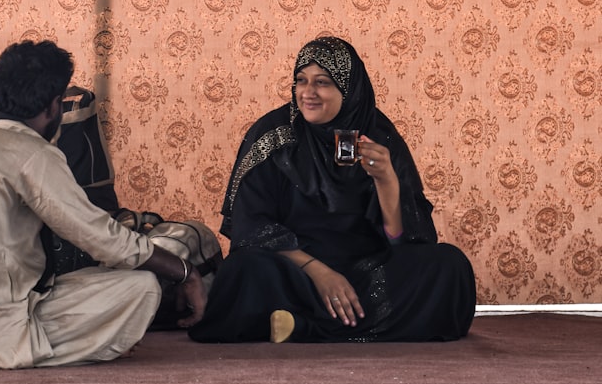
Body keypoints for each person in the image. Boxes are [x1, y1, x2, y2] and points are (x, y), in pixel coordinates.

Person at [0, 40, 206, 368]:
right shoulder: (29, 151)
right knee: (139, 287)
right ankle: (40, 351)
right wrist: (185, 272)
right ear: (54, 106)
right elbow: (104, 239)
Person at [188, 36, 476, 344]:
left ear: (349, 89)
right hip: (294, 268)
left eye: (322, 82)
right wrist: (319, 272)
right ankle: (344, 324)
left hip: (367, 268)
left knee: (449, 266)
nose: (308, 93)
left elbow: (402, 240)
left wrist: (387, 181)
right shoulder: (272, 136)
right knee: (242, 271)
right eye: (301, 81)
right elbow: (252, 226)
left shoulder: (378, 135)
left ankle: (301, 327)